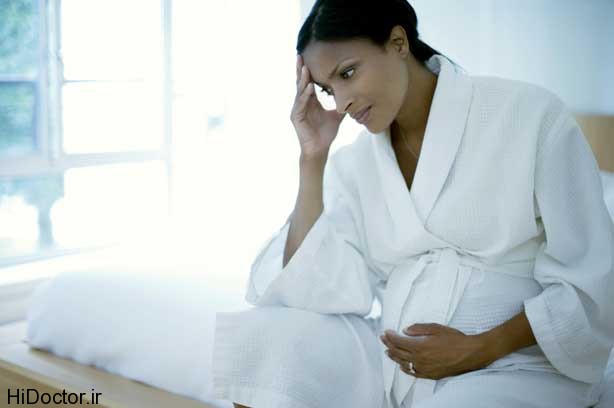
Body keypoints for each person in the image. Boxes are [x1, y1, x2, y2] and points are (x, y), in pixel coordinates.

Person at [211, 0, 614, 407]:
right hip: (395, 361)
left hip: (513, 363)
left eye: (348, 73)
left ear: (398, 42)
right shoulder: (357, 164)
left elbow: (590, 280)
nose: (341, 103)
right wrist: (312, 157)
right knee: (266, 342)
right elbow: (310, 290)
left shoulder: (527, 114)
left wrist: (479, 348)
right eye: (328, 90)